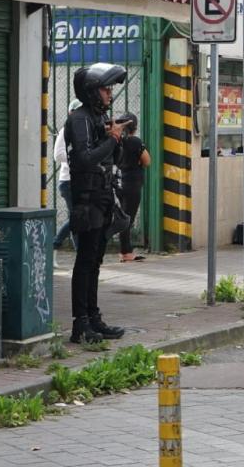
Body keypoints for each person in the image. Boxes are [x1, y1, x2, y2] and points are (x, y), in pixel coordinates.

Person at [63, 63, 129, 343]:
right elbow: (84, 159)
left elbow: (113, 159)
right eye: (105, 88)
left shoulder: (97, 119)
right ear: (91, 91)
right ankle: (81, 324)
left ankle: (94, 317)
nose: (109, 93)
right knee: (85, 260)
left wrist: (114, 138)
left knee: (96, 261)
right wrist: (112, 139)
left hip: (102, 198)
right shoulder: (79, 119)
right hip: (86, 199)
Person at [115, 113, 150, 262]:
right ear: (134, 127)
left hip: (121, 181)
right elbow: (147, 161)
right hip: (133, 183)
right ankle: (126, 252)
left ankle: (125, 250)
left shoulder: (117, 142)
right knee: (128, 218)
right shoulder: (135, 141)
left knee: (124, 215)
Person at [52, 100, 81, 265]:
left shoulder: (82, 130)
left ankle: (79, 254)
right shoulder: (66, 131)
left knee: (77, 218)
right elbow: (58, 155)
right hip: (69, 181)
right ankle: (53, 245)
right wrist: (78, 158)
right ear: (71, 113)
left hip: (79, 180)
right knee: (77, 217)